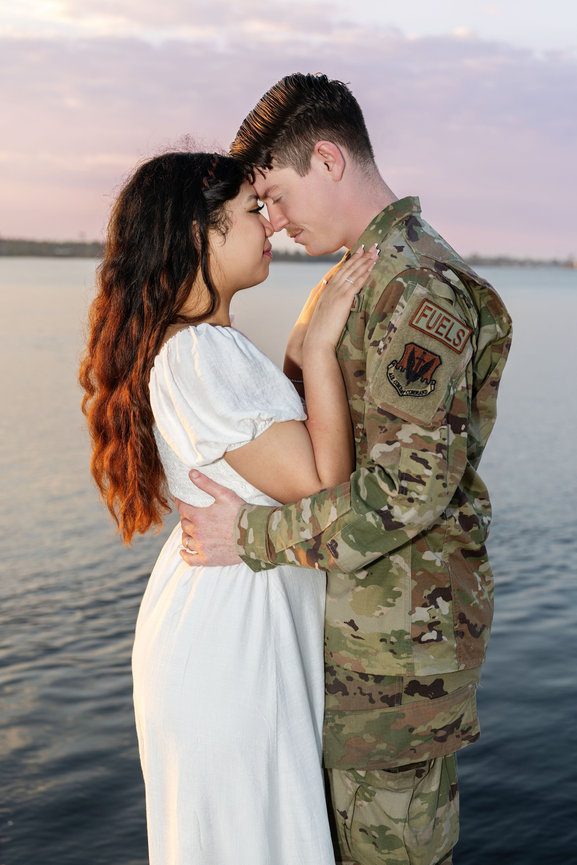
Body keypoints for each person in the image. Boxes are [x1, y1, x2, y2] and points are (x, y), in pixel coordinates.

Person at [177, 74, 513, 865]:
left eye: (275, 195)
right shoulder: (363, 275)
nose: (272, 219)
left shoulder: (414, 286)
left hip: (396, 663)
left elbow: (408, 489)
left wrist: (251, 535)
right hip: (359, 648)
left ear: (327, 160)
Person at [79, 150, 378, 864]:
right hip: (231, 643)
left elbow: (269, 448)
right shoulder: (203, 353)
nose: (269, 222)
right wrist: (322, 345)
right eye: (251, 210)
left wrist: (302, 340)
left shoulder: (201, 347)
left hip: (230, 622)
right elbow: (322, 484)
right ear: (199, 233)